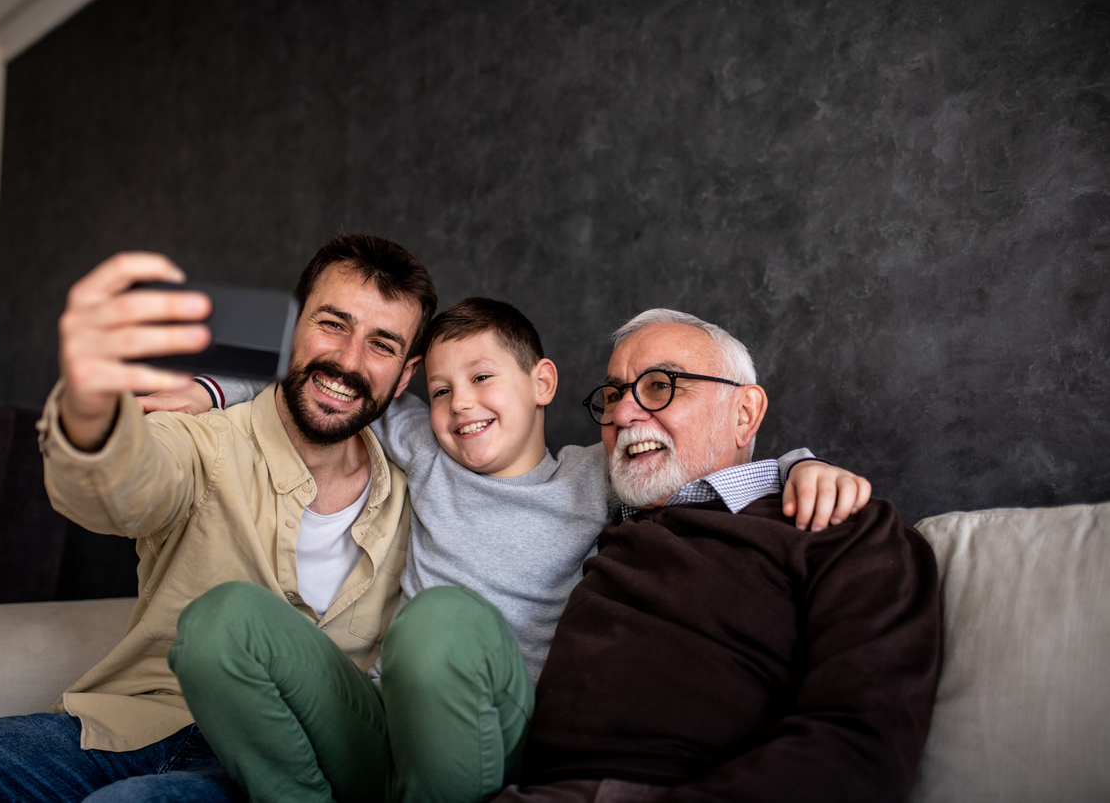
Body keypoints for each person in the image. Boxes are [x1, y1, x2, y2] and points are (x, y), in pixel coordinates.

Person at [163, 298, 871, 803]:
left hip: (491, 733)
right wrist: (208, 385)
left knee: (441, 620)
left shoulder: (596, 473)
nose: (459, 405)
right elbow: (334, 383)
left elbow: (702, 461)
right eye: (438, 390)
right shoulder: (423, 448)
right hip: (382, 723)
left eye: (481, 379)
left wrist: (800, 465)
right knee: (219, 622)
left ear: (542, 385)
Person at [0, 233, 437, 802]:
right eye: (331, 324)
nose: (348, 359)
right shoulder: (202, 439)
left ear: (406, 374)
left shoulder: (422, 500)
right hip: (140, 722)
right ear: (293, 332)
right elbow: (124, 487)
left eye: (382, 344)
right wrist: (91, 410)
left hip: (285, 758)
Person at [491, 309, 942, 803]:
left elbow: (860, 743)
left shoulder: (844, 527)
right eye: (614, 393)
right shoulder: (596, 514)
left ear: (744, 414)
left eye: (661, 385)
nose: (622, 414)